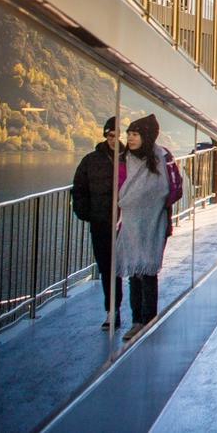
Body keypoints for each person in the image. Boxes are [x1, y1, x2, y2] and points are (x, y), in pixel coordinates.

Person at [115, 113, 184, 342]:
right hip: (131, 223)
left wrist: (157, 205)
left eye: (135, 134)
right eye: (129, 134)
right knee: (134, 270)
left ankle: (149, 319)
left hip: (155, 222)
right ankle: (137, 320)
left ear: (146, 136)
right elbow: (120, 187)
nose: (130, 138)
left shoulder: (162, 156)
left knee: (148, 270)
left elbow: (175, 187)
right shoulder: (124, 158)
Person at [72, 116, 123, 330]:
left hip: (122, 223)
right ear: (106, 135)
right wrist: (87, 213)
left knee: (119, 267)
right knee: (106, 268)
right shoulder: (90, 160)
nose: (114, 139)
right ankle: (112, 311)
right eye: (111, 135)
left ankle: (127, 311)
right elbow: (79, 188)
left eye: (117, 135)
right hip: (100, 223)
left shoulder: (127, 158)